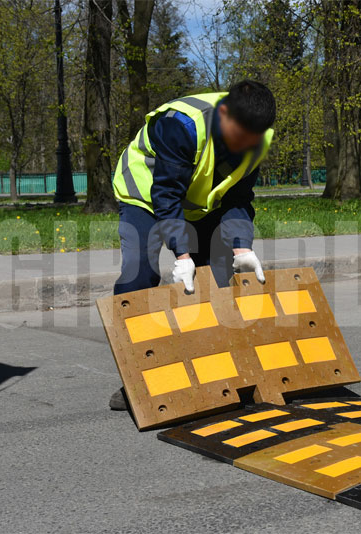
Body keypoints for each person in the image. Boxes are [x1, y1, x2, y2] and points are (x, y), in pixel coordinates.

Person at [108, 80, 276, 410]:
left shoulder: (259, 136)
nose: (243, 145)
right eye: (237, 135)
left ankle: (212, 371)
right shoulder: (181, 125)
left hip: (198, 204)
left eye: (250, 139)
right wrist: (181, 253)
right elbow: (166, 196)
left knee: (215, 278)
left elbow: (238, 196)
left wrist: (242, 246)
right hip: (144, 195)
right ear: (223, 114)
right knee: (138, 275)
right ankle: (136, 379)